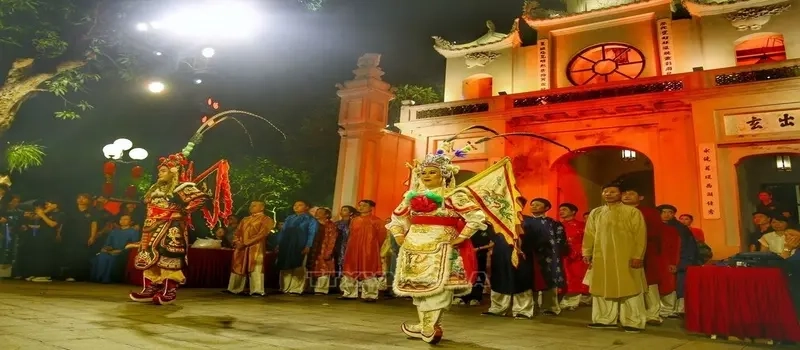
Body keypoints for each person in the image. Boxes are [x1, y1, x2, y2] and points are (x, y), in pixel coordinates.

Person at [387, 147, 488, 344]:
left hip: (443, 247)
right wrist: (399, 235)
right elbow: (396, 218)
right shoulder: (411, 196)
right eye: (423, 173)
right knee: (418, 287)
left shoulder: (454, 196)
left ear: (444, 174)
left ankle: (428, 326)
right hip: (413, 247)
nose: (426, 176)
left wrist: (462, 236)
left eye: (432, 172)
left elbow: (476, 217)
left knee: (440, 288)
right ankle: (426, 325)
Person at [127, 153, 210, 305]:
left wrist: (182, 212)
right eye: (159, 171)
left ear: (173, 172)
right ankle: (150, 288)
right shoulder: (155, 189)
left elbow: (200, 199)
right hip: (151, 227)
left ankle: (169, 290)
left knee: (168, 257)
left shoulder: (181, 187)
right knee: (149, 257)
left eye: (163, 170)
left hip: (171, 227)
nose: (160, 173)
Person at [584, 183, 647, 333]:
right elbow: (589, 234)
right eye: (605, 191)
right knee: (602, 287)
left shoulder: (632, 212)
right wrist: (587, 252)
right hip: (602, 257)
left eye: (612, 191)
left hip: (626, 256)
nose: (608, 194)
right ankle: (604, 319)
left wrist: (638, 255)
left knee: (630, 288)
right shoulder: (596, 212)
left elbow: (640, 235)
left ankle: (633, 322)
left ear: (620, 194)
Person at [621, 187, 679, 326]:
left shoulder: (649, 213)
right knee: (627, 284)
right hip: (623, 253)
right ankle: (630, 314)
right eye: (624, 193)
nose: (627, 195)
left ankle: (653, 313)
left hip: (648, 252)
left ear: (640, 197)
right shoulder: (616, 211)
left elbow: (657, 234)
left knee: (650, 284)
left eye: (631, 193)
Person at [482, 219, 535, 319]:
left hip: (520, 254)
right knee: (500, 279)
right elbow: (492, 237)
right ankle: (498, 308)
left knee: (521, 281)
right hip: (501, 253)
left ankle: (523, 310)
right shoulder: (495, 220)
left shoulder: (526, 221)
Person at [524, 198, 566, 316]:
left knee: (549, 280)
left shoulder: (553, 223)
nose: (534, 206)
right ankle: (531, 307)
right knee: (531, 280)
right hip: (530, 254)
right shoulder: (524, 221)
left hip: (549, 255)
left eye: (538, 205)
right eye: (532, 204)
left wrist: (554, 252)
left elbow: (560, 240)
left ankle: (550, 307)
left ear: (546, 208)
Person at [657, 204, 699, 318]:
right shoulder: (654, 226)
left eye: (670, 212)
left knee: (677, 285)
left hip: (678, 261)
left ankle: (674, 309)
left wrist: (681, 264)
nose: (666, 215)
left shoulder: (681, 229)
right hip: (659, 262)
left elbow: (689, 248)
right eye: (664, 212)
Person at [340, 200, 386, 301]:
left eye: (364, 205)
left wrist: (373, 247)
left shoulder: (377, 221)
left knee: (368, 270)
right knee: (350, 269)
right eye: (360, 205)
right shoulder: (354, 220)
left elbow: (381, 237)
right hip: (353, 248)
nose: (361, 207)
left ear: (371, 208)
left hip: (369, 249)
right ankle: (349, 293)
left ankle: (370, 295)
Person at [227, 200, 274, 297]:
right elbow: (237, 233)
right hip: (242, 247)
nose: (251, 207)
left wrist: (245, 243)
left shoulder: (266, 219)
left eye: (255, 205)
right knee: (238, 266)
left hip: (256, 247)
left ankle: (257, 290)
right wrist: (237, 242)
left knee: (256, 267)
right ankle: (234, 288)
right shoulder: (245, 219)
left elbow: (262, 234)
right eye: (251, 205)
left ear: (262, 207)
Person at [274, 200, 318, 295]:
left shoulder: (310, 220)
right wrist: (279, 243)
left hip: (300, 244)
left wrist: (308, 245)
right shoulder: (289, 218)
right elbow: (283, 231)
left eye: (300, 205)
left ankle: (296, 288)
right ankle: (284, 287)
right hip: (286, 244)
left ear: (307, 207)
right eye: (295, 205)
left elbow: (312, 233)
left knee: (298, 265)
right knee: (285, 264)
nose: (296, 207)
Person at [558, 203, 590, 311]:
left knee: (575, 278)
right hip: (561, 255)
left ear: (573, 212)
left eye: (564, 209)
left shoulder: (582, 226)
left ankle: (571, 302)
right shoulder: (557, 225)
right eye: (560, 210)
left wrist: (579, 251)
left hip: (576, 257)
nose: (561, 211)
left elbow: (587, 240)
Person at [62, 193, 99, 282]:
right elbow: (63, 223)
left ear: (89, 201)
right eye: (79, 198)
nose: (81, 200)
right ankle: (70, 275)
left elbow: (94, 225)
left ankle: (82, 276)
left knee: (83, 256)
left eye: (84, 198)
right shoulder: (71, 211)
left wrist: (92, 236)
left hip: (84, 236)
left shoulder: (92, 212)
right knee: (71, 256)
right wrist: (59, 233)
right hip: (71, 236)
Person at [91, 215, 139, 283]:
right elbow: (108, 243)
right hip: (111, 250)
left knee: (112, 258)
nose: (123, 221)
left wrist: (121, 250)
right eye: (121, 219)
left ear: (131, 222)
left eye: (126, 219)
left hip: (124, 252)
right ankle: (99, 278)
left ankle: (107, 279)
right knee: (102, 255)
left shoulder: (133, 231)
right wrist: (106, 248)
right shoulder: (114, 231)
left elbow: (134, 244)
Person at [26, 199, 65, 282]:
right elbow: (35, 217)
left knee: (47, 256)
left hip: (51, 237)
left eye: (48, 204)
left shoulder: (60, 214)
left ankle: (45, 274)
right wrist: (44, 212)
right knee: (39, 255)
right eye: (45, 204)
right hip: (41, 236)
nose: (46, 205)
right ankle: (37, 273)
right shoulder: (47, 212)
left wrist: (43, 215)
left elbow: (53, 224)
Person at [308, 207, 338, 295]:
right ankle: (310, 287)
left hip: (324, 249)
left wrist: (329, 251)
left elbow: (332, 239)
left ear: (327, 215)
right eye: (317, 212)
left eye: (320, 212)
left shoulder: (331, 225)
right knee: (312, 268)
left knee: (324, 268)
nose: (317, 213)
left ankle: (321, 289)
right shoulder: (313, 223)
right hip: (313, 249)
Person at [0, 195, 24, 277]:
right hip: (3, 234)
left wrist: (22, 226)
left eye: (17, 201)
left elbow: (20, 223)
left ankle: (9, 272)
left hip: (13, 235)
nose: (15, 203)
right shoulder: (3, 210)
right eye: (14, 201)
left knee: (12, 251)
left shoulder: (19, 212)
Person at [334, 205, 356, 285]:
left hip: (349, 247)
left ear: (351, 213)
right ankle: (337, 284)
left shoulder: (354, 223)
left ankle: (347, 284)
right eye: (342, 210)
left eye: (345, 210)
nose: (342, 211)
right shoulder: (336, 224)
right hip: (338, 246)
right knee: (337, 263)